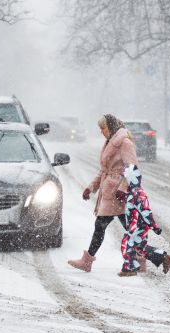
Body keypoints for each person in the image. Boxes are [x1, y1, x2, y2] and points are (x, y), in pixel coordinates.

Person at [68, 114, 136, 273]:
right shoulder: (110, 142)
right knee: (125, 228)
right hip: (110, 192)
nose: (101, 132)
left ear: (111, 127)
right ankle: (157, 256)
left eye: (103, 128)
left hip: (117, 193)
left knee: (101, 226)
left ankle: (87, 261)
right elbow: (105, 170)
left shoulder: (124, 143)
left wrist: (123, 189)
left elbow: (133, 169)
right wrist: (91, 188)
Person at [118, 164, 170, 276]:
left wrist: (154, 226)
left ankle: (130, 268)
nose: (122, 181)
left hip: (138, 225)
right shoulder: (132, 192)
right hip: (136, 225)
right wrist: (124, 197)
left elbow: (146, 212)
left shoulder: (137, 194)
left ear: (131, 179)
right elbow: (132, 208)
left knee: (127, 243)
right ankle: (162, 257)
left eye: (124, 179)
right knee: (140, 247)